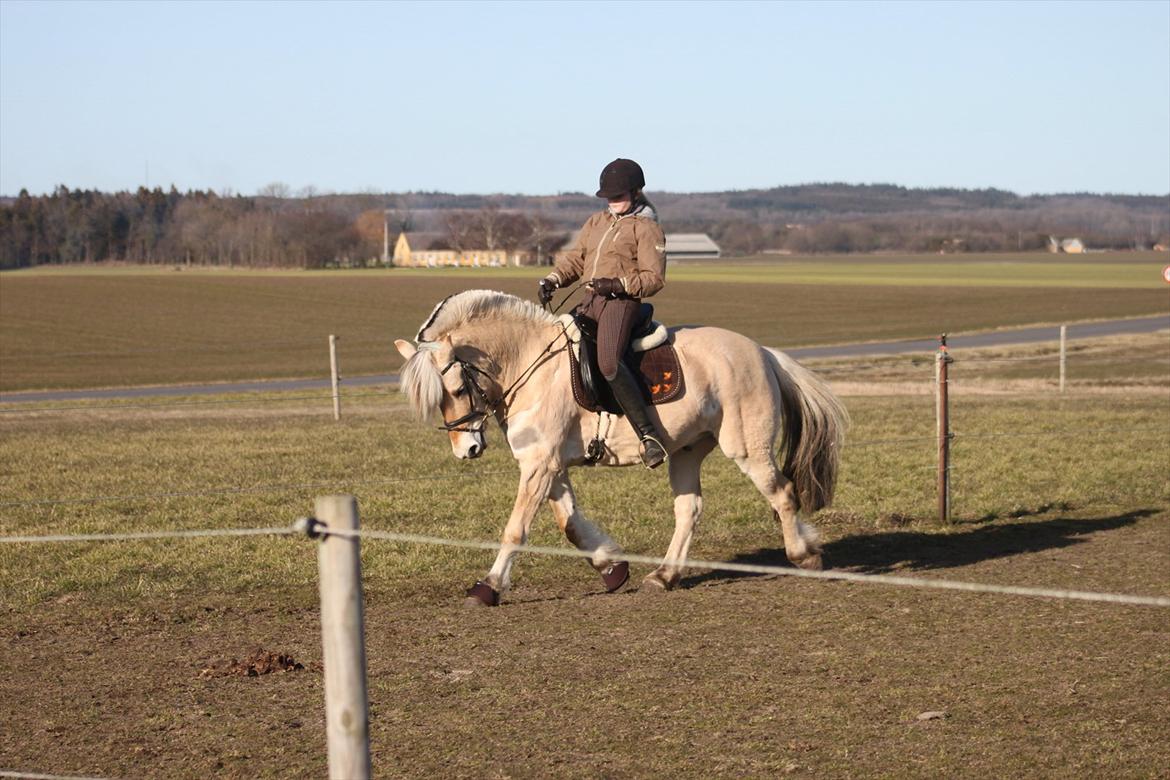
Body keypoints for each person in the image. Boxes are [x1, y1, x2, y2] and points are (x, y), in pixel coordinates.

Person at [538, 158, 668, 469]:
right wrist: (553, 280)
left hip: (621, 304)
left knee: (608, 362)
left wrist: (617, 284)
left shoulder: (647, 229)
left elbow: (654, 278)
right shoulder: (596, 222)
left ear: (636, 192)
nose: (613, 202)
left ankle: (649, 436)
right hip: (590, 300)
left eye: (619, 196)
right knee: (558, 346)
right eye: (608, 197)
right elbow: (576, 260)